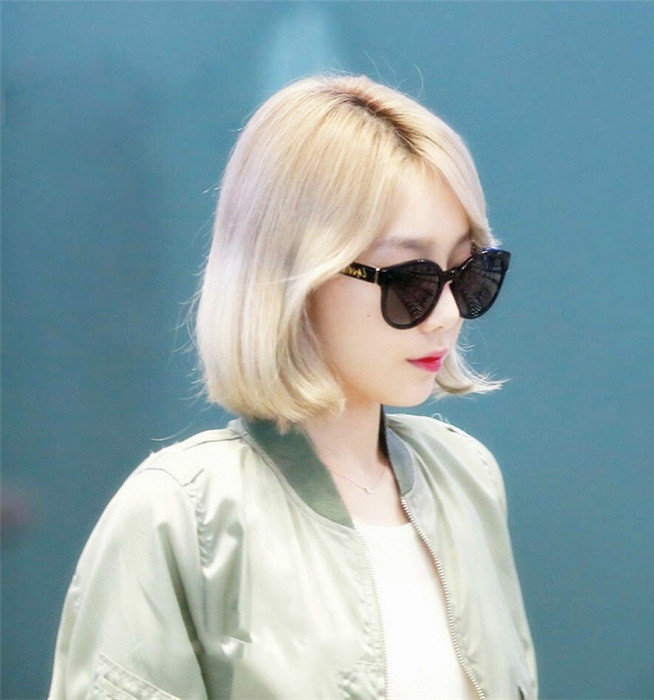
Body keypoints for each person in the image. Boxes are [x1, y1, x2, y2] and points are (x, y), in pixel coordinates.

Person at [49, 74, 537, 700]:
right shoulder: (183, 515)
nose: (446, 315)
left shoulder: (466, 477)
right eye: (408, 279)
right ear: (294, 274)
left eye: (468, 273)